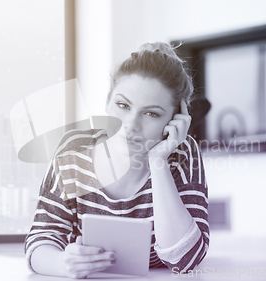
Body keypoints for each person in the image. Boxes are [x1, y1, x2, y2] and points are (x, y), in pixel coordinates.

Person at [24, 42, 209, 279]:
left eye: (151, 113)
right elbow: (41, 240)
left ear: (175, 120)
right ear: (107, 102)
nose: (131, 125)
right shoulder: (74, 149)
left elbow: (186, 260)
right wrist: (62, 263)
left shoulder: (183, 153)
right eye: (122, 105)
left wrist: (159, 161)